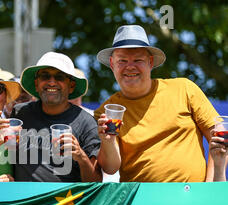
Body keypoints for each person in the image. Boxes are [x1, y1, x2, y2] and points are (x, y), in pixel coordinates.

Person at [94, 25, 220, 182]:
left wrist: (209, 187)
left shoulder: (184, 88)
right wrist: (109, 140)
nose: (130, 66)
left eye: (138, 60)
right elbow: (110, 168)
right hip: (141, 200)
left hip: (192, 197)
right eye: (122, 61)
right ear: (112, 64)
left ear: (150, 62)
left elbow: (219, 137)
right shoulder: (106, 112)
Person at [11, 51, 119, 182]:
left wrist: (81, 156)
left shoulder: (86, 122)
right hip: (27, 200)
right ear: (36, 84)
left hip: (67, 201)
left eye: (60, 77)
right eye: (45, 76)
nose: (51, 82)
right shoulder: (20, 114)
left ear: (71, 86)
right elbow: (7, 156)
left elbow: (96, 182)